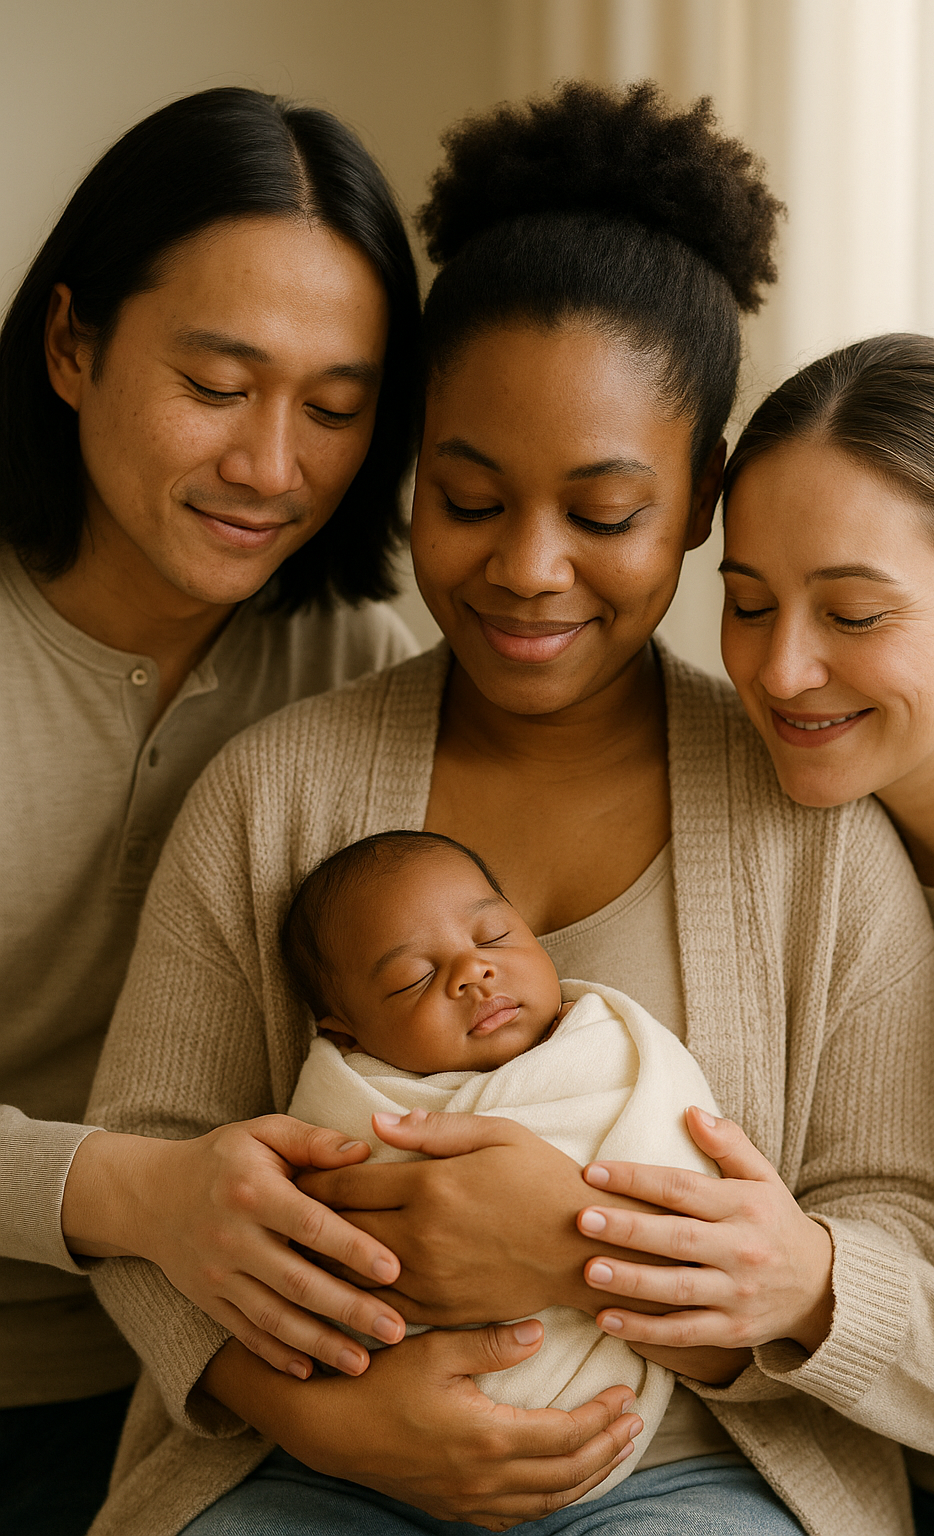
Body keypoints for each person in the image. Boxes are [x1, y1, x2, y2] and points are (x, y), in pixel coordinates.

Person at [85, 85, 934, 1536]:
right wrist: (314, 1412)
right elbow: (153, 1165)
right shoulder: (276, 788)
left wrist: (612, 1267)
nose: (530, 570)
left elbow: (899, 1214)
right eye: (471, 498)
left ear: (699, 505)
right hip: (308, 1459)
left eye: (607, 515)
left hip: (698, 1463)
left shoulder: (811, 830)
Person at [0, 85, 424, 1536]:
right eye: (218, 384)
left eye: (337, 409)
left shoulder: (354, 673)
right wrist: (124, 1192)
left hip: (176, 1396)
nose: (271, 466)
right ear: (72, 344)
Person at [715, 333, 934, 1535]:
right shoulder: (780, 830)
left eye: (851, 612)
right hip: (836, 1480)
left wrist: (814, 1285)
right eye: (745, 604)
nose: (783, 669)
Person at [281, 827, 727, 1494]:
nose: (473, 972)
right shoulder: (351, 1099)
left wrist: (573, 1241)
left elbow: (689, 1180)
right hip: (378, 1447)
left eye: (491, 939)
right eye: (415, 977)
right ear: (345, 1030)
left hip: (630, 1448)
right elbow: (299, 1223)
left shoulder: (610, 1046)